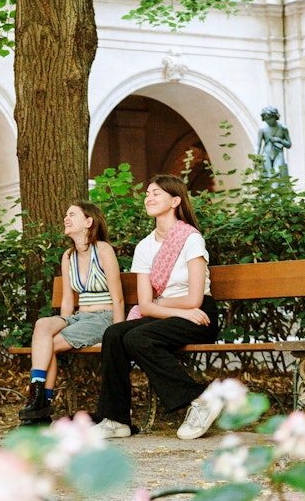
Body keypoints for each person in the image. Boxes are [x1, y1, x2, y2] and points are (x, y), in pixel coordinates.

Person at [94, 174, 222, 441]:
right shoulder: (145, 246)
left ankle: (200, 401)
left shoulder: (191, 239)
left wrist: (168, 306)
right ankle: (116, 419)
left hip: (199, 317)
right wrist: (171, 309)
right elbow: (145, 305)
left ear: (175, 201)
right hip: (170, 315)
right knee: (115, 334)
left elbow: (194, 298)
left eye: (156, 193)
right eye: (148, 193)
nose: (148, 198)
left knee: (138, 336)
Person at [18, 201, 124, 426]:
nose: (66, 218)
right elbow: (67, 298)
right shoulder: (68, 256)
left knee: (47, 345)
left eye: (72, 215)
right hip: (79, 317)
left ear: (88, 222)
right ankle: (38, 395)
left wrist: (119, 332)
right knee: (43, 327)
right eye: (66, 214)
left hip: (102, 317)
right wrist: (65, 322)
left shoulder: (103, 250)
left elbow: (118, 298)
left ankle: (41, 405)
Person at [257, 106, 291, 177]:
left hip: (278, 153)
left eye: (269, 118)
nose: (268, 121)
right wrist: (256, 155)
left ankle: (275, 188)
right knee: (268, 175)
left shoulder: (283, 128)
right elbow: (258, 145)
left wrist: (280, 140)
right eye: (266, 119)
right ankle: (272, 188)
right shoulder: (262, 129)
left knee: (277, 173)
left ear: (275, 117)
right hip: (266, 153)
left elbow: (289, 144)